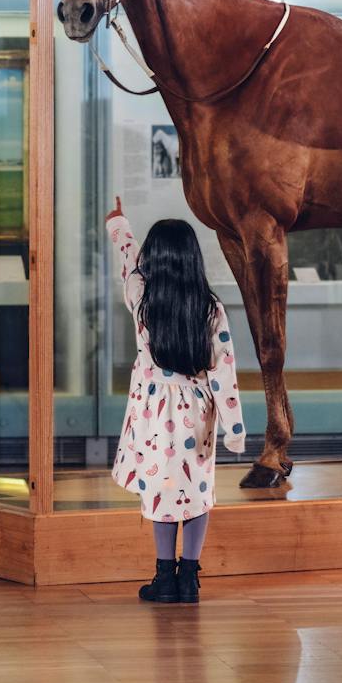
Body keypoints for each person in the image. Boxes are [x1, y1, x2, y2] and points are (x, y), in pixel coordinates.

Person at [107, 196, 246, 603]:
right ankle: (190, 577)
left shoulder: (142, 299)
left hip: (152, 411)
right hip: (196, 410)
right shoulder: (210, 308)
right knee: (197, 490)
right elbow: (224, 372)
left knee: (161, 489)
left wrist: (118, 222)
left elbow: (128, 259)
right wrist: (234, 431)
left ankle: (164, 576)